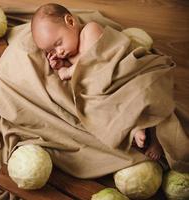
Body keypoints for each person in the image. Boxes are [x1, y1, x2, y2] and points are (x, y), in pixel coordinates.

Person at [31, 3, 163, 160]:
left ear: (71, 22)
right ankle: (132, 128)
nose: (59, 52)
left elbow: (92, 60)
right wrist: (61, 66)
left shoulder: (90, 30)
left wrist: (68, 71)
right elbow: (81, 75)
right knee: (96, 109)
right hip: (104, 90)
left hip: (120, 75)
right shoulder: (68, 55)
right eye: (51, 51)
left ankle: (154, 139)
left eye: (58, 43)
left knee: (142, 96)